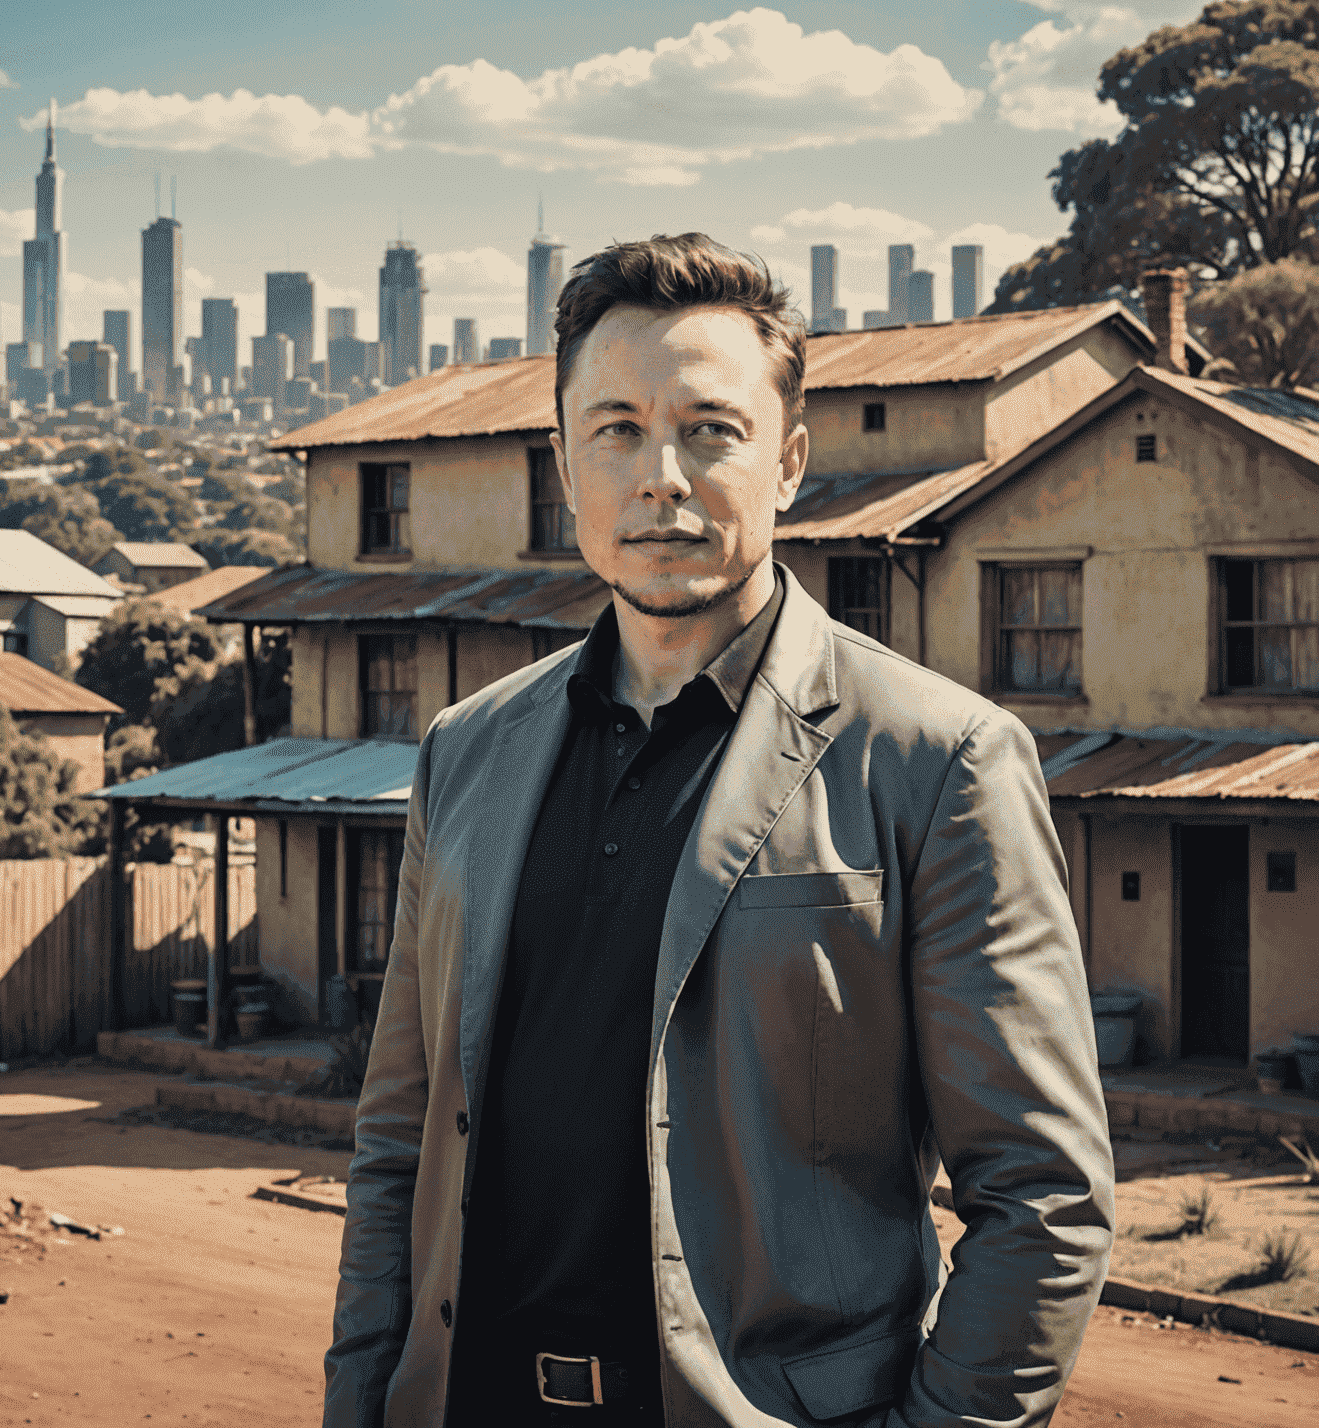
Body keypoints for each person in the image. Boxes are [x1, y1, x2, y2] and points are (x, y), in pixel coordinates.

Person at [324, 233, 1113, 1428]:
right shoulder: (464, 754)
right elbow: (397, 1149)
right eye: (619, 430)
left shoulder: (937, 761)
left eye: (711, 428)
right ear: (566, 462)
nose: (662, 477)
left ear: (789, 461)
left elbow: (1043, 1199)